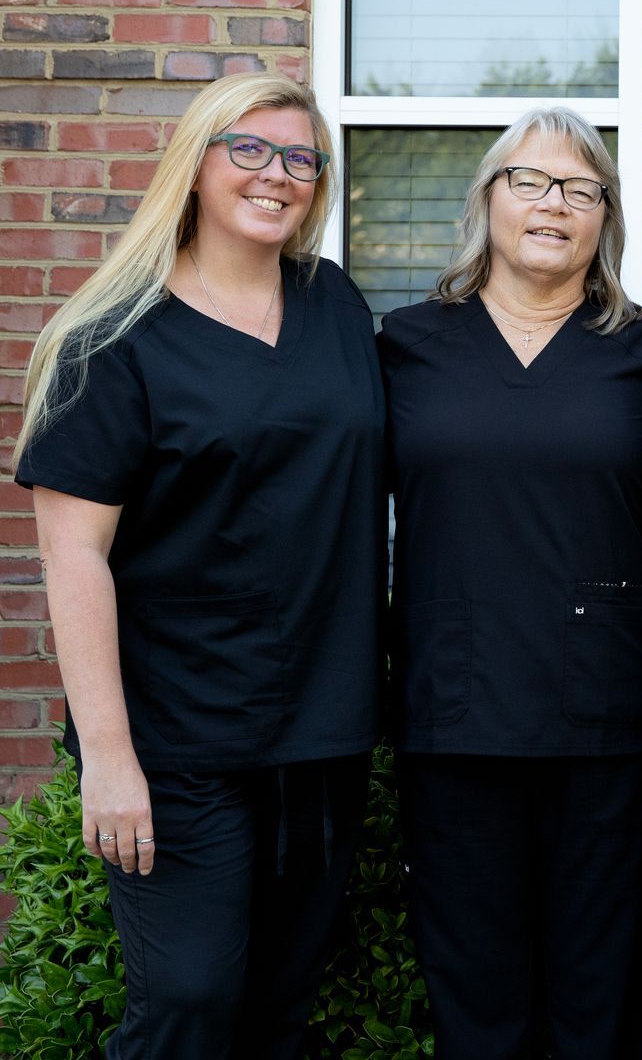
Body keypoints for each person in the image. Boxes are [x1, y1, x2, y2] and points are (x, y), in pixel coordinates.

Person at [14, 72, 382, 1060]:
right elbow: (73, 556)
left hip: (320, 738)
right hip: (177, 742)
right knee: (186, 1005)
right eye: (250, 149)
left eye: (301, 157)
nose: (278, 174)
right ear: (196, 161)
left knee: (277, 1010)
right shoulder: (112, 339)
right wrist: (110, 756)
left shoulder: (334, 303)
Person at [378, 107, 642, 1059]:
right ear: (487, 200)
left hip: (609, 722)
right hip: (454, 710)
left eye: (581, 188)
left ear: (605, 219)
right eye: (531, 181)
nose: (555, 204)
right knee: (479, 1005)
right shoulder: (403, 346)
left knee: (605, 1002)